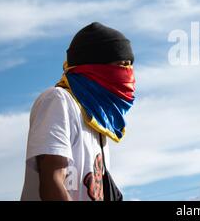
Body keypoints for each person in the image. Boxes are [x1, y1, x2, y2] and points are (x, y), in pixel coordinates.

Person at [20, 22, 135, 201]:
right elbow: (52, 180)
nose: (129, 73)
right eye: (123, 64)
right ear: (96, 67)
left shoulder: (98, 123)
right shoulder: (59, 101)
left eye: (130, 65)